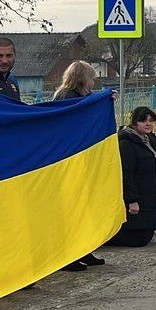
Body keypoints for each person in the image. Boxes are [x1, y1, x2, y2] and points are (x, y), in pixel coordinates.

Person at [50, 60, 108, 268]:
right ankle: (69, 256)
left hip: (76, 157)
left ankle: (84, 250)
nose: (93, 82)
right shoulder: (68, 97)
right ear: (82, 78)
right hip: (68, 159)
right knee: (72, 210)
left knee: (83, 208)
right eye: (91, 78)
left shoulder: (77, 96)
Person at [108, 107, 156, 248]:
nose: (148, 124)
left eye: (151, 120)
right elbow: (126, 174)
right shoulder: (127, 143)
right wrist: (132, 200)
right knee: (139, 238)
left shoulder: (149, 139)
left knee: (147, 235)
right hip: (137, 197)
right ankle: (101, 240)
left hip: (150, 195)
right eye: (143, 120)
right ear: (134, 122)